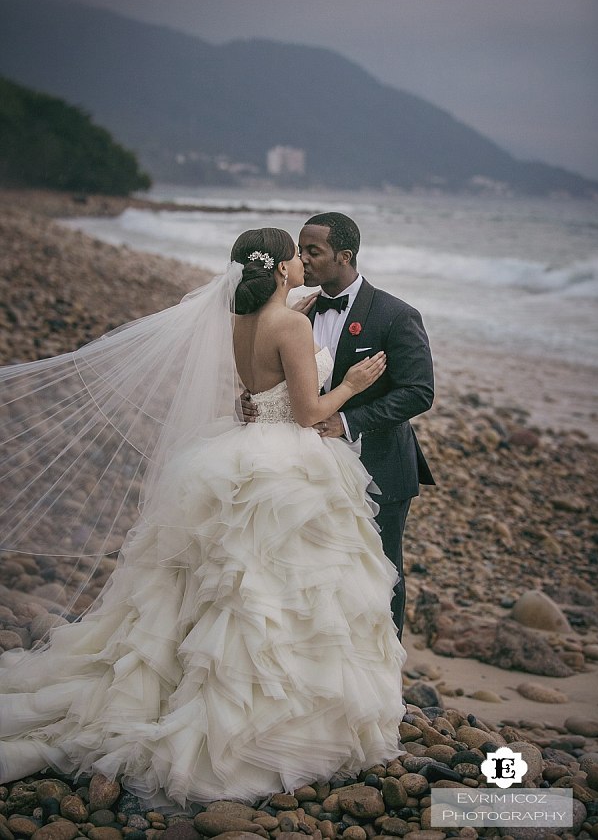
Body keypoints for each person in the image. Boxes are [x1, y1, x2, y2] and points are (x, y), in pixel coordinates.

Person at [0, 227, 406, 809]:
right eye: (297, 256)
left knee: (221, 583)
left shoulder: (243, 320)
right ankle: (267, 726)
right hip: (285, 459)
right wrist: (351, 383)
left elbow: (257, 387)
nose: (301, 263)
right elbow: (307, 409)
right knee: (278, 589)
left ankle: (186, 687)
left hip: (238, 447)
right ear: (284, 267)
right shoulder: (289, 325)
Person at [245, 214, 434, 636]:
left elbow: (420, 391)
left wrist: (348, 420)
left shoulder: (396, 315)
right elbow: (282, 379)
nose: (303, 260)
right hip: (308, 467)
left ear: (344, 257)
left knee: (382, 573)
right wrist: (256, 400)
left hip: (378, 464)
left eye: (314, 251)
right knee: (319, 573)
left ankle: (386, 685)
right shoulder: (296, 313)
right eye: (300, 250)